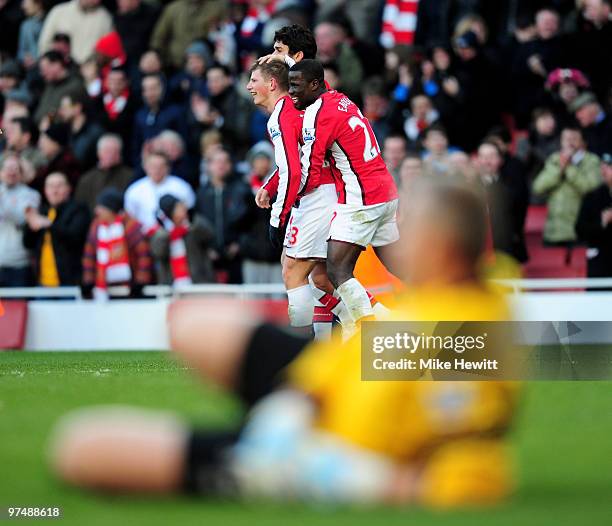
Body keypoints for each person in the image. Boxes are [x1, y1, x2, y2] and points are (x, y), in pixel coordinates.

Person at [49, 177, 518, 508]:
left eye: (412, 229)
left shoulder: (475, 328)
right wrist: (293, 407)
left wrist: (352, 480)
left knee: (80, 448)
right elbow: (338, 371)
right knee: (190, 321)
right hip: (309, 411)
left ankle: (249, 474)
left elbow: (468, 466)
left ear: (441, 246)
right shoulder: (429, 301)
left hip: (320, 463)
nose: (400, 237)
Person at [288, 59, 399, 324]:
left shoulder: (318, 115)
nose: (291, 91)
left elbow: (310, 170)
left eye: (296, 85)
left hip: (361, 198)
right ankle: (438, 311)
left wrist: (288, 201)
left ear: (314, 85)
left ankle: (368, 330)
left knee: (336, 270)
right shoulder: (341, 99)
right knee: (399, 266)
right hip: (385, 191)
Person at [533, 126, 601, 246]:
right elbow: (538, 187)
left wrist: (568, 168)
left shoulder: (592, 161)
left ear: (583, 142)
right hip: (553, 233)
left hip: (579, 232)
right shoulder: (554, 159)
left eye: (574, 138)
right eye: (566, 138)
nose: (569, 142)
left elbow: (590, 188)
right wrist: (559, 169)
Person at [81, 188, 153, 300]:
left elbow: (143, 256)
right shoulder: (96, 226)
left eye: (101, 208)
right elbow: (89, 255)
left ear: (111, 209)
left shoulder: (132, 227)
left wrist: (140, 282)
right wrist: (88, 281)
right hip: (103, 287)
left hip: (130, 286)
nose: (97, 211)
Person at [194, 149, 251, 284]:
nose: (221, 165)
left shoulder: (241, 191)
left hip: (237, 257)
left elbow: (249, 222)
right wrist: (207, 248)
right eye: (217, 162)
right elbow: (197, 224)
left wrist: (239, 244)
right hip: (209, 258)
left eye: (225, 161)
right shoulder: (202, 194)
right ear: (209, 166)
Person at [23, 172, 90, 286]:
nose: (55, 191)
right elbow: (28, 243)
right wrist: (30, 225)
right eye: (50, 186)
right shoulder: (42, 211)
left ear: (68, 188)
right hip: (43, 282)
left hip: (69, 282)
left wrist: (49, 225)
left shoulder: (79, 209)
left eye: (59, 186)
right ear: (45, 190)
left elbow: (75, 238)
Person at [124, 151, 195, 235]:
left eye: (161, 166)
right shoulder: (134, 190)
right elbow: (130, 216)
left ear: (168, 168)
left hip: (178, 235)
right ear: (145, 167)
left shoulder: (181, 186)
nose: (157, 170)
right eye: (153, 166)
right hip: (145, 237)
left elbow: (189, 210)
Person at [150, 194, 215, 285]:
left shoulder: (192, 228)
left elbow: (209, 234)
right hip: (172, 285)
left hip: (197, 282)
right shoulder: (162, 233)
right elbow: (158, 252)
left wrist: (192, 218)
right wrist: (168, 228)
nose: (183, 209)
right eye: (178, 208)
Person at [0, 154, 40, 287]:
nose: (11, 172)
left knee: (17, 306)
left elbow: (22, 218)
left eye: (15, 169)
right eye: (7, 168)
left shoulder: (30, 194)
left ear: (22, 174)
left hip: (19, 264)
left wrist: (3, 200)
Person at [38, 0, 113, 65]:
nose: (97, 1)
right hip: (60, 72)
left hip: (90, 73)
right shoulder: (59, 11)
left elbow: (108, 53)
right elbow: (44, 44)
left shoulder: (105, 18)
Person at [74, 134, 133, 214]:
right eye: (107, 151)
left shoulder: (130, 176)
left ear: (120, 154)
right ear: (98, 153)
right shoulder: (87, 179)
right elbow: (79, 207)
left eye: (114, 151)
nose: (110, 155)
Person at [576, 153, 612, 278]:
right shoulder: (592, 197)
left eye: (609, 166)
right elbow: (580, 229)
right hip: (600, 263)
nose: (604, 170)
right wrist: (602, 222)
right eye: (602, 166)